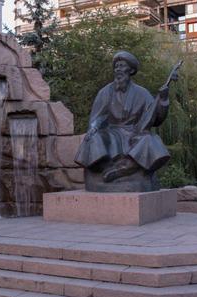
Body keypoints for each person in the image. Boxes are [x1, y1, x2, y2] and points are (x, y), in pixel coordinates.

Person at [74, 51, 180, 192]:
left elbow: (156, 119)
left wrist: (164, 99)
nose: (118, 69)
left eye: (122, 66)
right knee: (94, 138)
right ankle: (107, 168)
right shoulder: (105, 92)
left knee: (149, 140)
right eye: (116, 66)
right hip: (111, 134)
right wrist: (93, 128)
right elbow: (97, 117)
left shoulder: (142, 93)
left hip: (133, 134)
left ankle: (127, 167)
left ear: (130, 70)